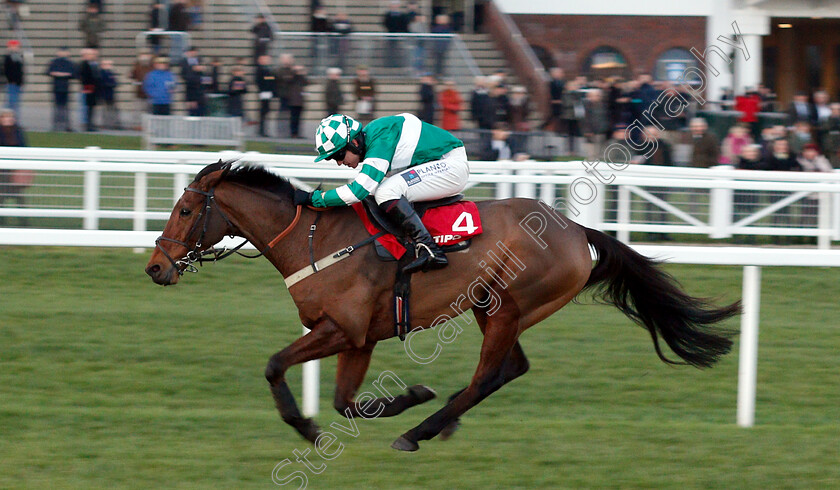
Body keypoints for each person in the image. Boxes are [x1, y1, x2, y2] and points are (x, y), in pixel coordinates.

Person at [303, 113, 469, 273]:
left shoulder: (380, 138)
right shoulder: (373, 137)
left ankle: (430, 250)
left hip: (451, 165)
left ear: (354, 142)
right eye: (332, 159)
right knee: (377, 190)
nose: (339, 163)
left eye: (339, 155)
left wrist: (316, 199)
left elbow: (357, 191)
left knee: (386, 191)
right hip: (438, 163)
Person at [0, 108, 29, 226]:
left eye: (10, 117)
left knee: (18, 195)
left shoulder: (18, 131)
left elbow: (24, 146)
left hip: (14, 169)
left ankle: (24, 221)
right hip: (2, 170)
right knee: (1, 196)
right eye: (5, 117)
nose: (8, 119)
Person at [46, 47, 76, 132]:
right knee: (57, 107)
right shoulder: (54, 62)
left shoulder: (70, 63)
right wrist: (64, 74)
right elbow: (49, 72)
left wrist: (59, 74)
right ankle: (56, 125)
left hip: (65, 87)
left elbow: (73, 74)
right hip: (56, 87)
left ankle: (67, 125)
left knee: (65, 107)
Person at [78, 48, 102, 132]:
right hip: (88, 88)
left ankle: (91, 124)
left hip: (94, 89)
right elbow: (82, 77)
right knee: (87, 108)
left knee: (92, 108)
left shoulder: (94, 64)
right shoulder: (84, 64)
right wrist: (86, 87)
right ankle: (87, 125)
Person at [3, 40, 24, 119]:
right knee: (11, 103)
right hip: (12, 83)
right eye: (14, 46)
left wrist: (21, 81)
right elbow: (7, 71)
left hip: (18, 83)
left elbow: (20, 71)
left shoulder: (19, 57)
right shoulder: (8, 57)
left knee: (15, 103)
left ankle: (15, 120)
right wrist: (11, 80)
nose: (16, 48)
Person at [255, 54, 275, 136]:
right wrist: (270, 78)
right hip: (264, 92)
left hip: (268, 92)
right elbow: (263, 79)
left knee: (266, 111)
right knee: (263, 111)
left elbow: (272, 79)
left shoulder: (268, 69)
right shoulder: (260, 69)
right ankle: (261, 130)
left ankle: (263, 130)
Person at [287, 65, 307, 138]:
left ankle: (297, 133)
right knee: (293, 118)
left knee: (298, 118)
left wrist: (303, 73)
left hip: (299, 102)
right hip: (293, 102)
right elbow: (289, 80)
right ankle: (293, 133)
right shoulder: (293, 78)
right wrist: (294, 72)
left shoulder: (301, 79)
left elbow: (306, 82)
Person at [99, 58, 120, 129]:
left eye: (110, 64)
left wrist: (113, 84)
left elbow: (115, 82)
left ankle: (114, 124)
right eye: (107, 64)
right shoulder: (101, 73)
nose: (109, 66)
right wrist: (110, 84)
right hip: (104, 94)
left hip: (111, 94)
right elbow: (102, 83)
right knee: (106, 110)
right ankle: (106, 124)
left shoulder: (111, 73)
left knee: (113, 110)